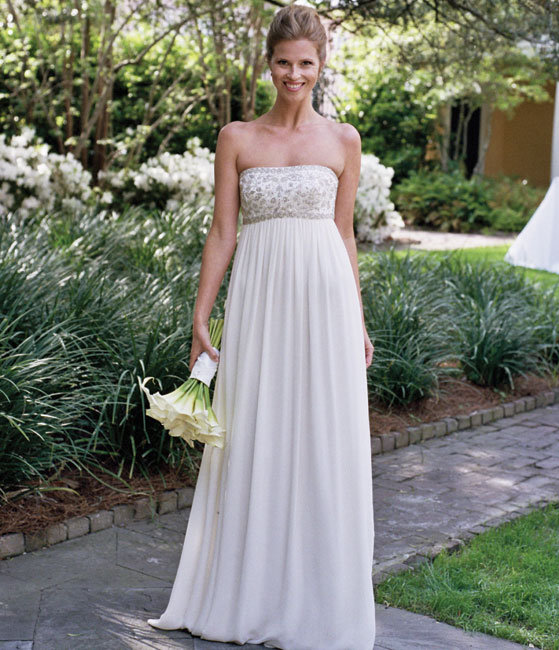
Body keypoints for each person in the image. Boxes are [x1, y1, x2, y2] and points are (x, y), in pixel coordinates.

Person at [147, 4, 376, 649]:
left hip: (324, 301)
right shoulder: (237, 138)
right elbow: (223, 231)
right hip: (259, 300)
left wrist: (357, 320)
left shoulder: (343, 141)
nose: (294, 74)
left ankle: (319, 598)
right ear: (268, 63)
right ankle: (248, 590)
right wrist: (201, 312)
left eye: (306, 62)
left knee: (320, 434)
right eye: (283, 62)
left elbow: (345, 233)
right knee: (254, 430)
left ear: (321, 64)